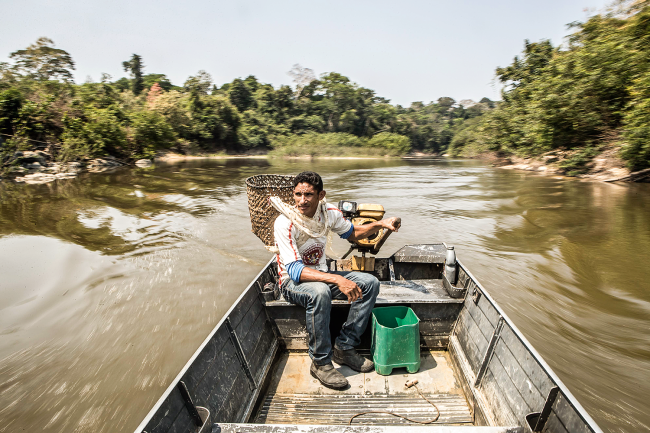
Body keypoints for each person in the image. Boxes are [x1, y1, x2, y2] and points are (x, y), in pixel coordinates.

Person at [273, 171, 400, 389]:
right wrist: (336, 280)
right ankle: (320, 362)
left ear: (321, 195)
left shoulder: (329, 213)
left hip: (321, 276)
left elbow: (353, 233)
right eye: (298, 194)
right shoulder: (285, 222)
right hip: (292, 283)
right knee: (320, 292)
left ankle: (344, 346)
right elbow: (294, 271)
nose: (302, 201)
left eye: (308, 195)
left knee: (370, 284)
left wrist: (381, 225)